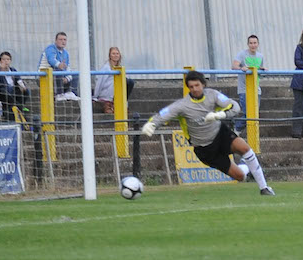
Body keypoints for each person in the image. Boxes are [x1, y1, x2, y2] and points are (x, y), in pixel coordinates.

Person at [140, 70, 274, 195]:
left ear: (203, 84)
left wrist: (220, 115)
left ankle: (264, 188)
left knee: (244, 147)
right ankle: (246, 169)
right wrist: (151, 124)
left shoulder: (213, 95)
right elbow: (164, 114)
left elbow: (235, 106)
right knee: (240, 177)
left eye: (197, 85)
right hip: (204, 149)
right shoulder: (183, 105)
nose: (195, 89)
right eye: (191, 87)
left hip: (220, 134)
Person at [232, 35, 266, 133]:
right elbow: (234, 66)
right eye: (251, 43)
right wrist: (241, 68)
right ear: (248, 44)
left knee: (254, 115)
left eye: (255, 43)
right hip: (244, 90)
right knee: (248, 114)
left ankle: (239, 130)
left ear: (258, 44)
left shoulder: (260, 56)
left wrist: (262, 70)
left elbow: (259, 69)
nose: (253, 45)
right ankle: (236, 130)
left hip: (256, 89)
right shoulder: (242, 54)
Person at [38, 32, 79, 101]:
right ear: (56, 41)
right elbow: (52, 60)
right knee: (58, 69)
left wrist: (67, 78)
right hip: (44, 76)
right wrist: (59, 65)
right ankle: (59, 94)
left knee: (75, 73)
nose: (63, 41)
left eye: (64, 40)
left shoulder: (66, 53)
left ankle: (71, 92)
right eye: (60, 39)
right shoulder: (50, 49)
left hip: (59, 77)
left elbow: (67, 67)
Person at [93, 47, 135, 114]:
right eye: (113, 54)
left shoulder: (120, 68)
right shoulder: (106, 68)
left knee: (129, 82)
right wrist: (95, 96)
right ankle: (109, 104)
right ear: (110, 55)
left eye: (117, 53)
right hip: (107, 92)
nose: (115, 55)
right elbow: (100, 82)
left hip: (116, 91)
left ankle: (121, 103)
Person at [0, 51, 30, 121]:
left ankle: (19, 106)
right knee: (5, 91)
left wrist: (23, 86)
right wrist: (2, 70)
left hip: (14, 89)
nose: (6, 61)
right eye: (4, 59)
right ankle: (19, 107)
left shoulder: (13, 70)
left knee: (26, 91)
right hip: (4, 91)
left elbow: (19, 80)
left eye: (8, 59)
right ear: (0, 61)